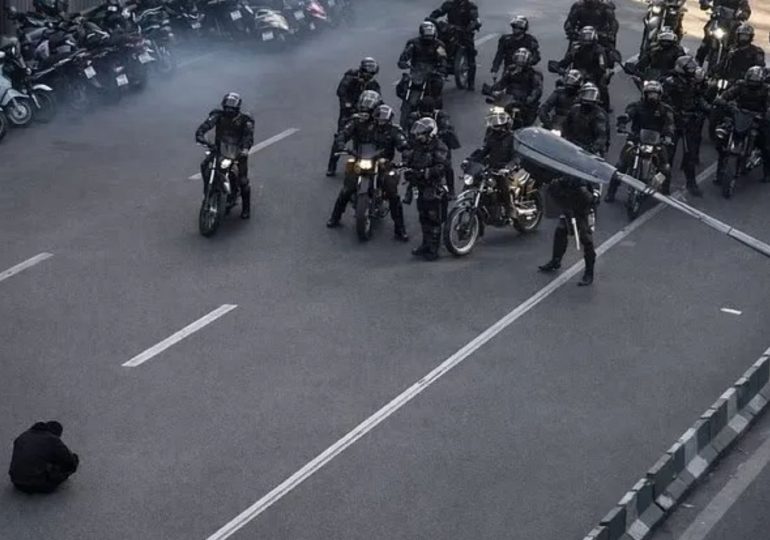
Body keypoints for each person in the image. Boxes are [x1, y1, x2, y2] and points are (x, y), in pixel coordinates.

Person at [327, 91, 412, 240]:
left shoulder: (390, 128)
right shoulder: (356, 122)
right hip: (360, 158)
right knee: (347, 188)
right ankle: (335, 217)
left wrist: (406, 155)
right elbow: (343, 134)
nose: (364, 114)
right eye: (364, 110)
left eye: (368, 111)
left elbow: (403, 143)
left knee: (392, 193)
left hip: (382, 162)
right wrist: (340, 144)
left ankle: (400, 228)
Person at [606, 80, 675, 201]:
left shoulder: (665, 109)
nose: (652, 97)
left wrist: (668, 136)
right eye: (650, 94)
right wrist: (623, 122)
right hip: (636, 139)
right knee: (621, 165)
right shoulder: (636, 106)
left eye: (655, 94)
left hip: (656, 141)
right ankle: (611, 192)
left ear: (660, 95)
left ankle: (665, 190)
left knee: (665, 167)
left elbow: (670, 124)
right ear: (645, 94)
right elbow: (629, 114)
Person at [195, 93, 254, 219]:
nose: (228, 111)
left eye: (231, 109)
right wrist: (200, 134)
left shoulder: (245, 120)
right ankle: (208, 190)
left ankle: (246, 208)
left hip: (236, 152)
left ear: (237, 109)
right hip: (219, 149)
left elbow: (248, 137)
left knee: (243, 181)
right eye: (226, 108)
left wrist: (244, 149)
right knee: (204, 165)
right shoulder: (217, 115)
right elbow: (206, 125)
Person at [662, 55, 710, 196]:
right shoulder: (670, 82)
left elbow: (699, 98)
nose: (692, 70)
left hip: (689, 122)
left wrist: (707, 108)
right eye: (689, 68)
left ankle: (691, 184)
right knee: (668, 155)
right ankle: (664, 184)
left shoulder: (693, 82)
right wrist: (671, 113)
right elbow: (663, 100)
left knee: (690, 155)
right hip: (672, 122)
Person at [714, 66, 770, 184]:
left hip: (756, 118)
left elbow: (768, 105)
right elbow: (727, 94)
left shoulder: (766, 90)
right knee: (722, 137)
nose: (752, 83)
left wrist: (765, 114)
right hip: (739, 115)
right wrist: (723, 100)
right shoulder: (740, 85)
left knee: (766, 144)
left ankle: (767, 173)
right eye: (751, 81)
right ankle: (719, 174)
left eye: (755, 82)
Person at [403, 118, 450, 260]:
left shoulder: (440, 147)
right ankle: (425, 244)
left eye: (421, 134)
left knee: (433, 218)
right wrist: (405, 167)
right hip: (419, 186)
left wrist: (425, 172)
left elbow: (441, 167)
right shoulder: (418, 146)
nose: (418, 137)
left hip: (432, 187)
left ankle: (434, 249)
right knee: (423, 216)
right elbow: (409, 159)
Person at [326, 57, 381, 176]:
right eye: (368, 72)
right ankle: (332, 165)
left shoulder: (373, 84)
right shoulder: (350, 78)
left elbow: (378, 98)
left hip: (366, 112)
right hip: (348, 112)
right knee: (341, 136)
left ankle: (368, 161)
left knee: (370, 135)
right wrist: (347, 104)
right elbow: (341, 91)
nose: (369, 75)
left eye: (372, 73)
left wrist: (380, 110)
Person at [467, 107, 517, 222]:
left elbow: (516, 156)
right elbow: (484, 151)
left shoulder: (512, 138)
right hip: (492, 168)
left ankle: (510, 208)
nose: (496, 128)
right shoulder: (492, 137)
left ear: (505, 126)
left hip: (507, 170)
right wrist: (471, 160)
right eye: (495, 126)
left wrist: (509, 167)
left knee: (503, 185)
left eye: (499, 126)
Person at [407, 96, 461, 197]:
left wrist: (437, 134)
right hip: (421, 142)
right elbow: (410, 132)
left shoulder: (441, 115)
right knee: (411, 165)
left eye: (429, 113)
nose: (426, 115)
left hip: (439, 141)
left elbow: (447, 128)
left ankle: (451, 189)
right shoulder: (413, 117)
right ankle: (410, 190)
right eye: (424, 113)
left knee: (447, 165)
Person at [8, 421, 79, 494]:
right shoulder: (52, 439)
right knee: (72, 460)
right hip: (39, 485)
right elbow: (69, 461)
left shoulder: (22, 436)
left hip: (16, 482)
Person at [557, 26, 615, 111]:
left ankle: (605, 107)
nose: (586, 42)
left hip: (593, 75)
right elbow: (567, 60)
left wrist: (590, 75)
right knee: (561, 84)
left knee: (602, 86)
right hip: (575, 75)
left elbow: (602, 67)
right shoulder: (576, 48)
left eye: (588, 39)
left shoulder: (599, 51)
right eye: (584, 39)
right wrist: (560, 67)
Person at [429, 0, 481, 90]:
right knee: (436, 44)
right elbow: (438, 12)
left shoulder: (470, 6)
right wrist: (431, 18)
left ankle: (471, 82)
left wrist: (472, 26)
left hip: (465, 33)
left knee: (470, 53)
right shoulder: (449, 4)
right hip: (450, 31)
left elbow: (476, 21)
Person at [488, 48, 543, 127]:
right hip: (508, 100)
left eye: (522, 61)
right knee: (494, 116)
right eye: (518, 60)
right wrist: (492, 90)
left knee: (526, 126)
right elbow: (502, 83)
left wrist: (529, 99)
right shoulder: (511, 70)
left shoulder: (534, 74)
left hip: (523, 103)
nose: (520, 63)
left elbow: (537, 89)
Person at [397, 21, 448, 104]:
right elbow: (406, 54)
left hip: (432, 72)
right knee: (402, 85)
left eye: (430, 33)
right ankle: (405, 102)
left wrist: (442, 67)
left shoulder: (438, 45)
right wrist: (402, 62)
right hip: (416, 71)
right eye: (426, 33)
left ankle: (434, 111)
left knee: (437, 88)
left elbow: (442, 57)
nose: (428, 36)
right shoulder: (413, 43)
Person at [695, 0, 751, 64]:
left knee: (735, 42)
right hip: (717, 21)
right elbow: (704, 3)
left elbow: (746, 8)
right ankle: (698, 63)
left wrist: (743, 14)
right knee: (707, 39)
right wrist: (705, 3)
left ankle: (733, 64)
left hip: (730, 24)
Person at [561, 82, 610, 157]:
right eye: (587, 94)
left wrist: (592, 149)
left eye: (592, 95)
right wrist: (563, 137)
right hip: (571, 143)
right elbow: (565, 125)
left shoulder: (599, 116)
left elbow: (601, 136)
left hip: (587, 149)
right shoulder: (574, 109)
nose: (589, 98)